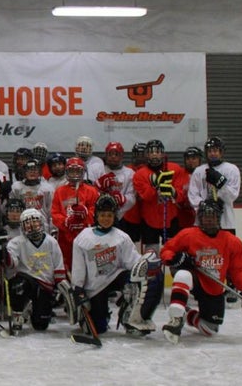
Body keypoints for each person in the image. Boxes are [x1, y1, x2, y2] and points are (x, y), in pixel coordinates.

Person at [160, 199, 242, 344]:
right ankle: (176, 318)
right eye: (206, 216)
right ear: (200, 218)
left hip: (213, 287)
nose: (209, 220)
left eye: (212, 216)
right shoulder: (188, 235)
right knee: (183, 274)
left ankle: (187, 313)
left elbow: (237, 271)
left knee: (210, 329)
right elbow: (165, 251)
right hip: (194, 279)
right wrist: (175, 257)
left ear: (219, 219)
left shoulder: (232, 242)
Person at [71, 195, 158, 336]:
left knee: (137, 279)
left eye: (110, 215)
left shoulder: (121, 237)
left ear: (115, 216)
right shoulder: (83, 238)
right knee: (99, 328)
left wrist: (147, 266)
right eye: (103, 215)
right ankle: (97, 315)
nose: (106, 218)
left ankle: (129, 314)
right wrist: (78, 289)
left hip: (115, 277)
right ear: (96, 215)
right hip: (95, 286)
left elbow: (134, 264)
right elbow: (78, 268)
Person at [132, 139, 184, 314]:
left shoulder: (175, 169)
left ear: (163, 153)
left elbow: (182, 194)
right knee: (151, 257)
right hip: (150, 221)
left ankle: (179, 289)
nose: (154, 154)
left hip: (171, 219)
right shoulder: (140, 174)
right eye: (151, 151)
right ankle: (152, 289)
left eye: (157, 151)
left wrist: (172, 191)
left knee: (174, 256)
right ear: (147, 154)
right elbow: (144, 197)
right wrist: (156, 187)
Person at [0, 208, 69, 335]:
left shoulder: (51, 242)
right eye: (28, 224)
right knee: (18, 286)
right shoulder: (17, 242)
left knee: (40, 325)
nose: (32, 227)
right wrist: (2, 252)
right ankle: (18, 315)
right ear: (22, 226)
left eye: (35, 223)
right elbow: (11, 264)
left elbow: (58, 267)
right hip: (27, 280)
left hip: (45, 285)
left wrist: (60, 288)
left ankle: (32, 308)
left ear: (41, 223)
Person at [51, 157, 98, 271]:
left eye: (78, 171)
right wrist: (65, 221)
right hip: (65, 236)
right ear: (67, 172)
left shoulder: (91, 191)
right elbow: (54, 213)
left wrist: (85, 216)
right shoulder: (60, 191)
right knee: (66, 263)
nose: (75, 174)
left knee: (87, 263)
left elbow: (96, 211)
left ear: (83, 172)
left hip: (86, 234)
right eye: (72, 171)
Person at [188, 137, 240, 233]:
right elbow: (193, 194)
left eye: (215, 151)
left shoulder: (232, 169)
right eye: (210, 151)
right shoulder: (199, 171)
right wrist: (203, 205)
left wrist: (221, 185)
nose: (212, 153)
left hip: (225, 222)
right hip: (203, 221)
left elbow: (233, 195)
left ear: (221, 152)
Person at [95, 142, 136, 223]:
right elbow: (90, 193)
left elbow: (132, 197)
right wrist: (99, 188)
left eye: (116, 154)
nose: (113, 157)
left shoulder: (130, 173)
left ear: (122, 156)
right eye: (110, 154)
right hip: (100, 214)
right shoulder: (99, 170)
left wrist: (123, 199)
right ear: (106, 155)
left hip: (121, 216)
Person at [9, 158, 53, 229]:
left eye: (35, 170)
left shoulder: (47, 188)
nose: (32, 172)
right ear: (24, 172)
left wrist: (52, 228)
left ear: (39, 172)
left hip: (43, 225)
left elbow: (51, 212)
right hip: (23, 226)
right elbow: (12, 208)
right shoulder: (17, 187)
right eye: (29, 170)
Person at [177, 146, 203, 229]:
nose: (190, 161)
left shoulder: (205, 174)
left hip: (200, 215)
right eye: (188, 158)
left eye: (194, 158)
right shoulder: (179, 174)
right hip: (182, 217)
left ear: (199, 160)